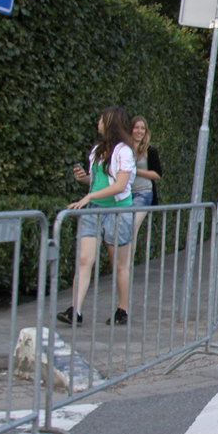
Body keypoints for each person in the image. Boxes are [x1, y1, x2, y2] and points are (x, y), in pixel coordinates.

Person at [59, 106, 136, 327]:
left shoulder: (124, 151)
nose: (98, 123)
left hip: (117, 212)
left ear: (110, 123)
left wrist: (89, 195)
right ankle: (75, 310)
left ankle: (123, 309)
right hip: (94, 210)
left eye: (102, 119)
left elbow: (120, 185)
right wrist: (84, 179)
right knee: (84, 259)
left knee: (119, 264)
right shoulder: (96, 150)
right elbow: (98, 181)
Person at [127, 115, 163, 252]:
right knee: (124, 228)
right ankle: (123, 262)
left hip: (143, 193)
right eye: (136, 128)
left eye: (142, 128)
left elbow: (157, 174)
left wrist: (136, 171)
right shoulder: (124, 149)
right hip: (126, 194)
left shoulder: (150, 150)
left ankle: (128, 263)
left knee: (132, 227)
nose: (139, 131)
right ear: (131, 129)